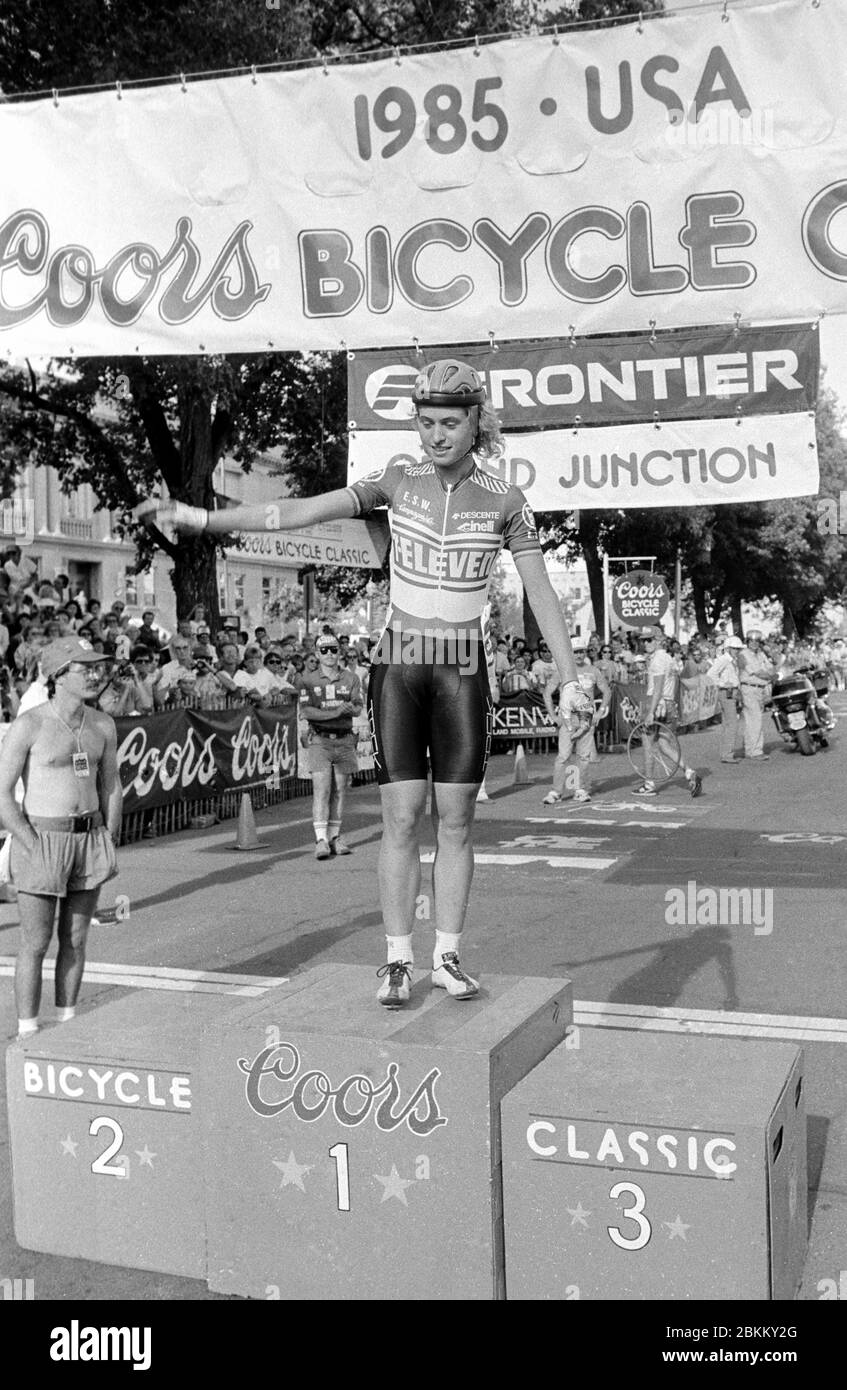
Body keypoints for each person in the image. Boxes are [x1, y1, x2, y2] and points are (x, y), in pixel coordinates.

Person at [137, 356, 589, 1008]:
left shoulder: (504, 501)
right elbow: (296, 513)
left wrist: (570, 676)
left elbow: (540, 591)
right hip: (398, 667)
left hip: (463, 671)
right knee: (402, 819)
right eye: (425, 422)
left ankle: (448, 954)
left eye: (449, 423)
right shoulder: (396, 480)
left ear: (475, 422)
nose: (436, 436)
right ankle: (397, 958)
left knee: (456, 820)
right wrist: (201, 520)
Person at [0, 637, 121, 1040]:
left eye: (96, 667)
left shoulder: (102, 724)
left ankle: (69, 1026)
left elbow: (112, 785)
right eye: (82, 668)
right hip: (41, 837)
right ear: (57, 676)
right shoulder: (30, 724)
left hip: (88, 839)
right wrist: (29, 842)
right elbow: (1, 793)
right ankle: (28, 1031)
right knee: (35, 942)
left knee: (76, 938)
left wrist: (110, 837)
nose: (94, 674)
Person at [295, 631, 363, 859]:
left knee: (341, 790)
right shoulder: (307, 679)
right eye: (324, 650)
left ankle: (335, 835)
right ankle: (321, 839)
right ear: (317, 653)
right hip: (320, 740)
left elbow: (357, 707)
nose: (329, 654)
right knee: (322, 789)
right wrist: (335, 711)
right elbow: (307, 711)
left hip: (344, 739)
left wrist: (344, 710)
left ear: (339, 652)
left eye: (333, 649)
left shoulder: (351, 678)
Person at [635, 628, 702, 797]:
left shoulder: (658, 660)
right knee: (664, 745)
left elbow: (657, 688)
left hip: (657, 703)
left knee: (648, 744)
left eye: (650, 640)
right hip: (670, 704)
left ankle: (648, 783)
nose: (646, 643)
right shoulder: (669, 659)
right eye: (644, 640)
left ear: (659, 640)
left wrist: (651, 712)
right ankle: (689, 772)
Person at [542, 644, 610, 804]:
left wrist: (600, 712)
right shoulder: (562, 670)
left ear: (585, 653)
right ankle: (556, 792)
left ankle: (580, 790)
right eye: (576, 652)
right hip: (567, 719)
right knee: (563, 756)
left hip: (586, 719)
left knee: (584, 757)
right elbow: (547, 693)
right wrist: (553, 716)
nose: (579, 655)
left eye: (581, 652)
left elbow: (607, 691)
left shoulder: (593, 670)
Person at [737, 629, 776, 760]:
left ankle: (750, 748)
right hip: (749, 689)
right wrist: (771, 676)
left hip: (760, 689)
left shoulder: (761, 654)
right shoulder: (743, 655)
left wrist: (771, 673)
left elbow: (770, 667)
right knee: (754, 720)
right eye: (751, 641)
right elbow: (757, 672)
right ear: (747, 641)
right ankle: (754, 751)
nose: (754, 643)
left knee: (753, 720)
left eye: (757, 641)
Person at [707, 636, 743, 763]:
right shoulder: (724, 660)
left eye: (738, 649)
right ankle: (728, 754)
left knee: (727, 723)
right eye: (734, 648)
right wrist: (722, 684)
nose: (736, 651)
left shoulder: (731, 660)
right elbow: (711, 674)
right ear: (728, 648)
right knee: (732, 723)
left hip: (730, 692)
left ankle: (726, 753)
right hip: (726, 692)